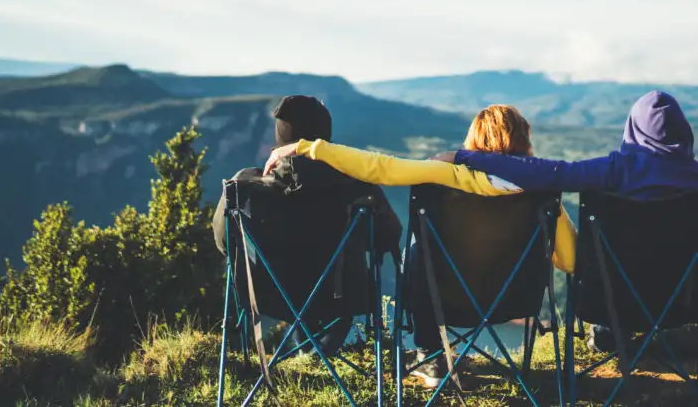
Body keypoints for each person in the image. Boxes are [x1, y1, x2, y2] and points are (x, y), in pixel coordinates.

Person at [263, 104, 577, 386]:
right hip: (513, 301)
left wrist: (306, 148)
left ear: (474, 142)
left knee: (418, 246)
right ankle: (436, 355)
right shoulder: (543, 196)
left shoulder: (447, 176)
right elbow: (572, 261)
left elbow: (378, 167)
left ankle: (431, 353)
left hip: (441, 298)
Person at [447, 91, 698, 353]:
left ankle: (608, 334)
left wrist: (466, 156)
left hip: (613, 302)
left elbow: (541, 173)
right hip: (685, 302)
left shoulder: (611, 171)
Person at [212, 95, 402, 356]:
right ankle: (318, 354)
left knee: (298, 300)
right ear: (326, 136)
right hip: (340, 295)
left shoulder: (243, 187)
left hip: (268, 294)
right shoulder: (358, 185)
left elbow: (224, 243)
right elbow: (388, 238)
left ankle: (309, 355)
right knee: (333, 301)